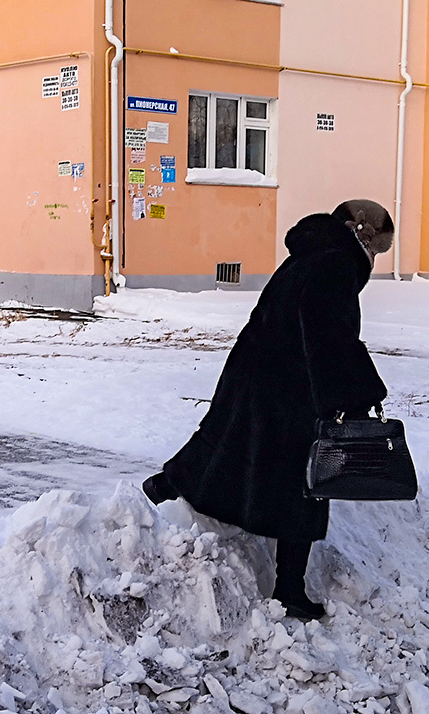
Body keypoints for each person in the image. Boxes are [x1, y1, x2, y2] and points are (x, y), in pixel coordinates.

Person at [143, 199, 394, 620]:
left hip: (256, 372)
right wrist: (355, 394)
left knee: (225, 443)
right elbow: (330, 339)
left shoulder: (312, 254)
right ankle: (290, 591)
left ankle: (163, 487)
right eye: (375, 248)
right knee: (304, 484)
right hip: (291, 387)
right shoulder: (335, 264)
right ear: (362, 233)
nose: (373, 258)